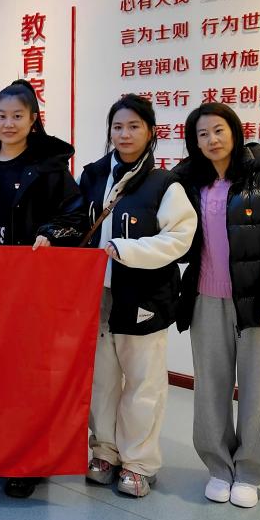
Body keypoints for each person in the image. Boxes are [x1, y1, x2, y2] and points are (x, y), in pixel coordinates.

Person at [173, 102, 260, 508]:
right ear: (193, 142)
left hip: (259, 304)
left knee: (258, 389)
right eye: (202, 134)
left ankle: (250, 470)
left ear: (234, 131)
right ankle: (218, 467)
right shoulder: (187, 183)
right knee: (210, 386)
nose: (212, 140)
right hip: (205, 299)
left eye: (218, 130)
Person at [0, 79, 86, 499]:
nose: (7, 123)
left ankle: (29, 459)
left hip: (32, 286)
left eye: (17, 116)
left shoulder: (50, 166)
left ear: (33, 119)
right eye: (1, 116)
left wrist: (50, 233)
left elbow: (75, 216)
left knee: (28, 374)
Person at [78, 94, 197, 498]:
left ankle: (139, 462)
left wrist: (127, 250)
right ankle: (104, 452)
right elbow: (76, 221)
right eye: (118, 127)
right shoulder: (94, 175)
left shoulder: (165, 183)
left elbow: (179, 238)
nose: (124, 134)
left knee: (144, 382)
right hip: (98, 295)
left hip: (145, 294)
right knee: (102, 380)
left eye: (133, 126)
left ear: (150, 132)